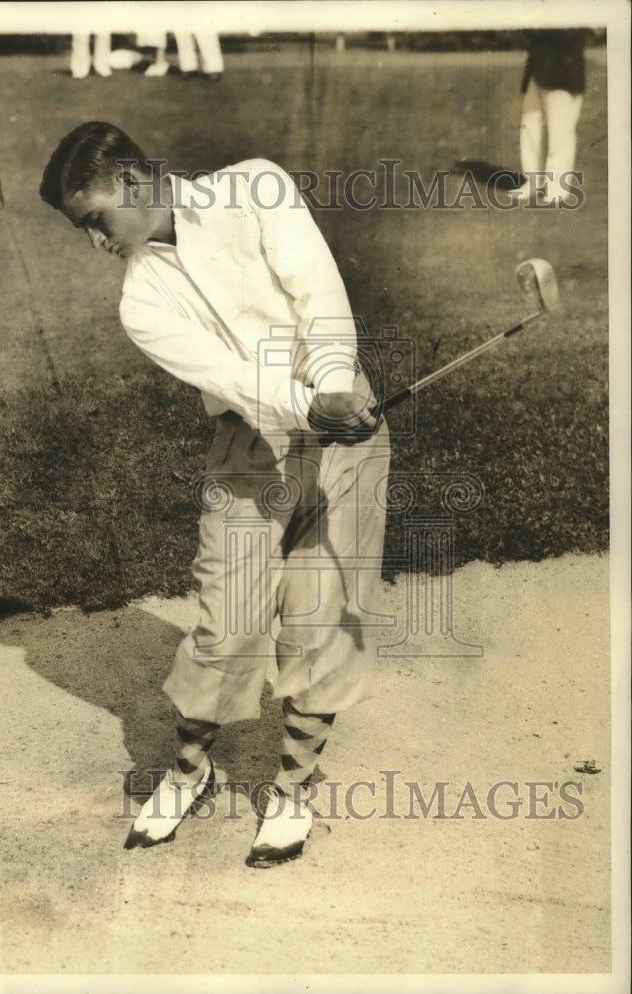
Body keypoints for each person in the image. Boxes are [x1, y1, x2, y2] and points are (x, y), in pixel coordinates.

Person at [39, 123, 390, 868]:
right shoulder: (140, 302)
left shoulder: (255, 185)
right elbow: (234, 380)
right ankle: (190, 772)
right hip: (250, 442)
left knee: (324, 614)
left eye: (96, 221)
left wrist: (332, 390)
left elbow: (318, 291)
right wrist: (309, 405)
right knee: (225, 621)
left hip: (343, 420)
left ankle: (293, 789)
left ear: (133, 184)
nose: (97, 242)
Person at [512, 29, 587, 205]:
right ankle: (532, 182)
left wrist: (534, 24)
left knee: (560, 133)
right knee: (529, 127)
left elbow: (569, 34)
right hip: (538, 70)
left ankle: (557, 189)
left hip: (564, 73)